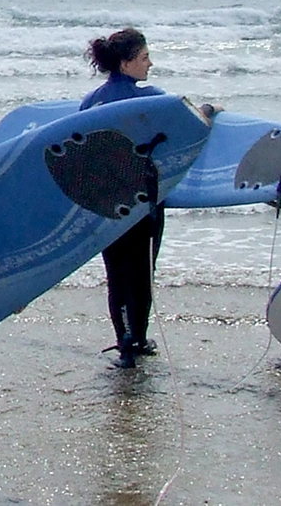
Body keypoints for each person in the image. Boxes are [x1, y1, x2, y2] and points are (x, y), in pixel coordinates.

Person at [78, 27, 219, 369]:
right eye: (144, 58)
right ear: (126, 64)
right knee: (142, 273)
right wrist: (211, 109)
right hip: (143, 204)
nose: (150, 64)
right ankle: (136, 341)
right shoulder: (150, 98)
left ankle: (124, 340)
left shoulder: (91, 101)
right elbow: (191, 123)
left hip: (104, 204)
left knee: (116, 274)